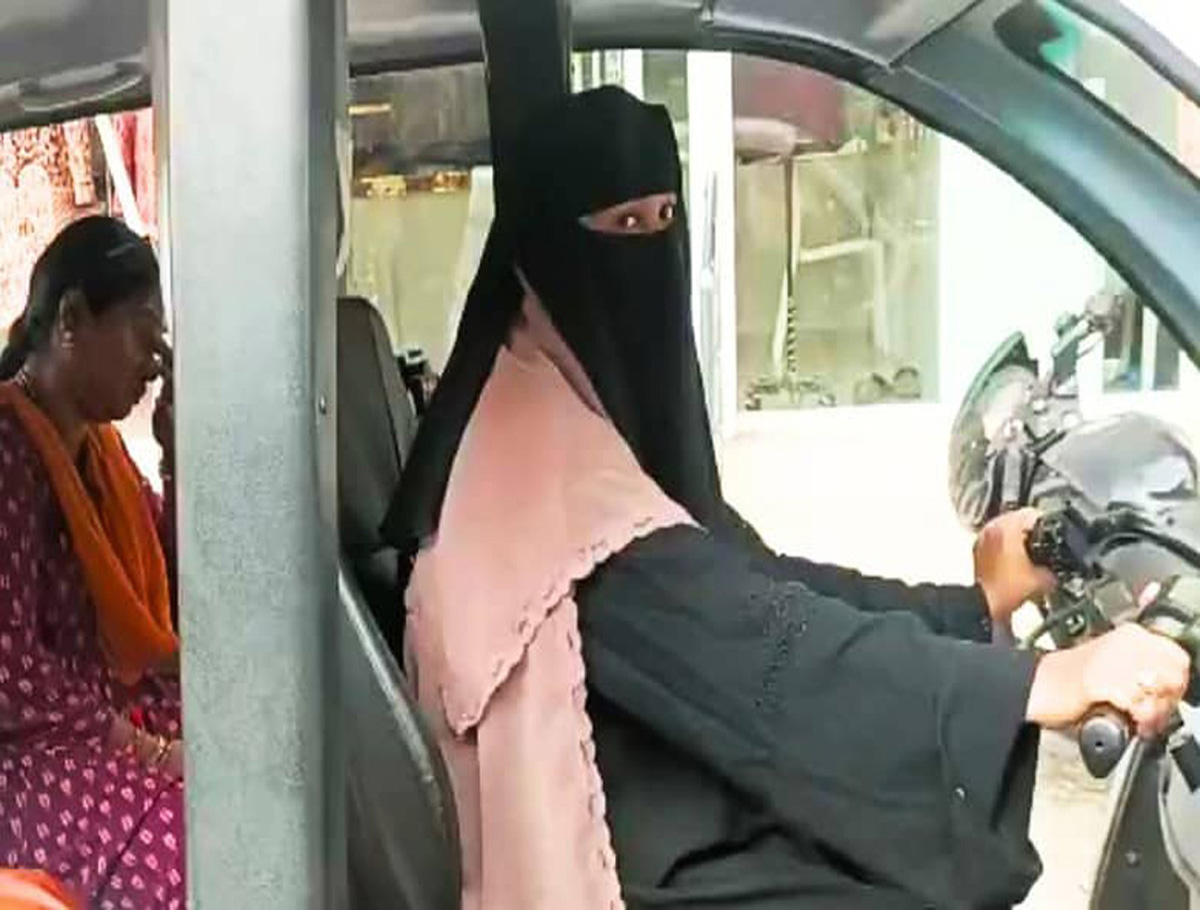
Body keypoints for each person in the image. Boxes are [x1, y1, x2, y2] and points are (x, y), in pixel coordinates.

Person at [382, 87, 1191, 910]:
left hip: (659, 795)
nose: (650, 249)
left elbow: (756, 585)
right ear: (541, 250)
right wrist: (1035, 685)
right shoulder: (542, 473)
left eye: (666, 220)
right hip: (616, 856)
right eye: (623, 228)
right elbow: (768, 654)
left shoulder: (571, 406)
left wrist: (971, 602)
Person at [0, 217, 184, 909]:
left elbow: (181, 589)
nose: (156, 359)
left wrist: (176, 450)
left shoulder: (103, 459)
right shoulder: (8, 451)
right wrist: (146, 752)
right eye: (142, 329)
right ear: (73, 319)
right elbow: (7, 674)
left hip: (108, 726)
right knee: (205, 837)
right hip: (28, 766)